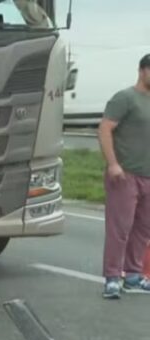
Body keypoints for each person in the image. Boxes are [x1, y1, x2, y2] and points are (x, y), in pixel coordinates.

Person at [99, 54, 150, 300]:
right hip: (125, 175)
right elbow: (105, 128)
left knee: (143, 229)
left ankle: (132, 274)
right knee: (120, 229)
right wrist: (113, 164)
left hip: (148, 176)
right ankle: (111, 277)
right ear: (142, 71)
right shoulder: (125, 98)